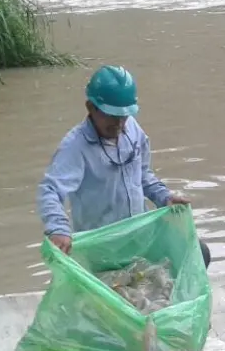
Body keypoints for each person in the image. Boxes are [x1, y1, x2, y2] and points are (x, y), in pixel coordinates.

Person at [37, 64, 211, 267]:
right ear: (91, 108)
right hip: (103, 251)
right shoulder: (75, 147)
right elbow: (49, 190)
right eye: (112, 116)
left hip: (140, 240)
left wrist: (164, 197)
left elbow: (143, 175)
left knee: (200, 252)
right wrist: (58, 229)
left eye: (124, 116)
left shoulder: (132, 130)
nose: (119, 125)